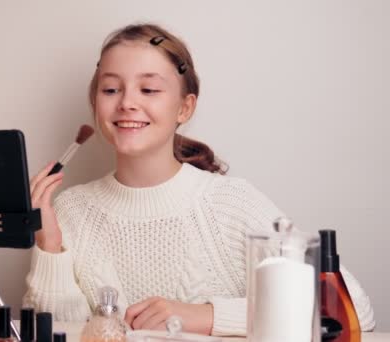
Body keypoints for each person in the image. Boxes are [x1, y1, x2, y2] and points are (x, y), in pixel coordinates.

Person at [23, 23, 375, 336]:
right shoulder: (69, 211)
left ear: (184, 108)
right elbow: (54, 332)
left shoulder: (231, 203)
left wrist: (204, 316)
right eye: (111, 89)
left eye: (149, 90)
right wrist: (49, 245)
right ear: (95, 104)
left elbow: (349, 309)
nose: (127, 102)